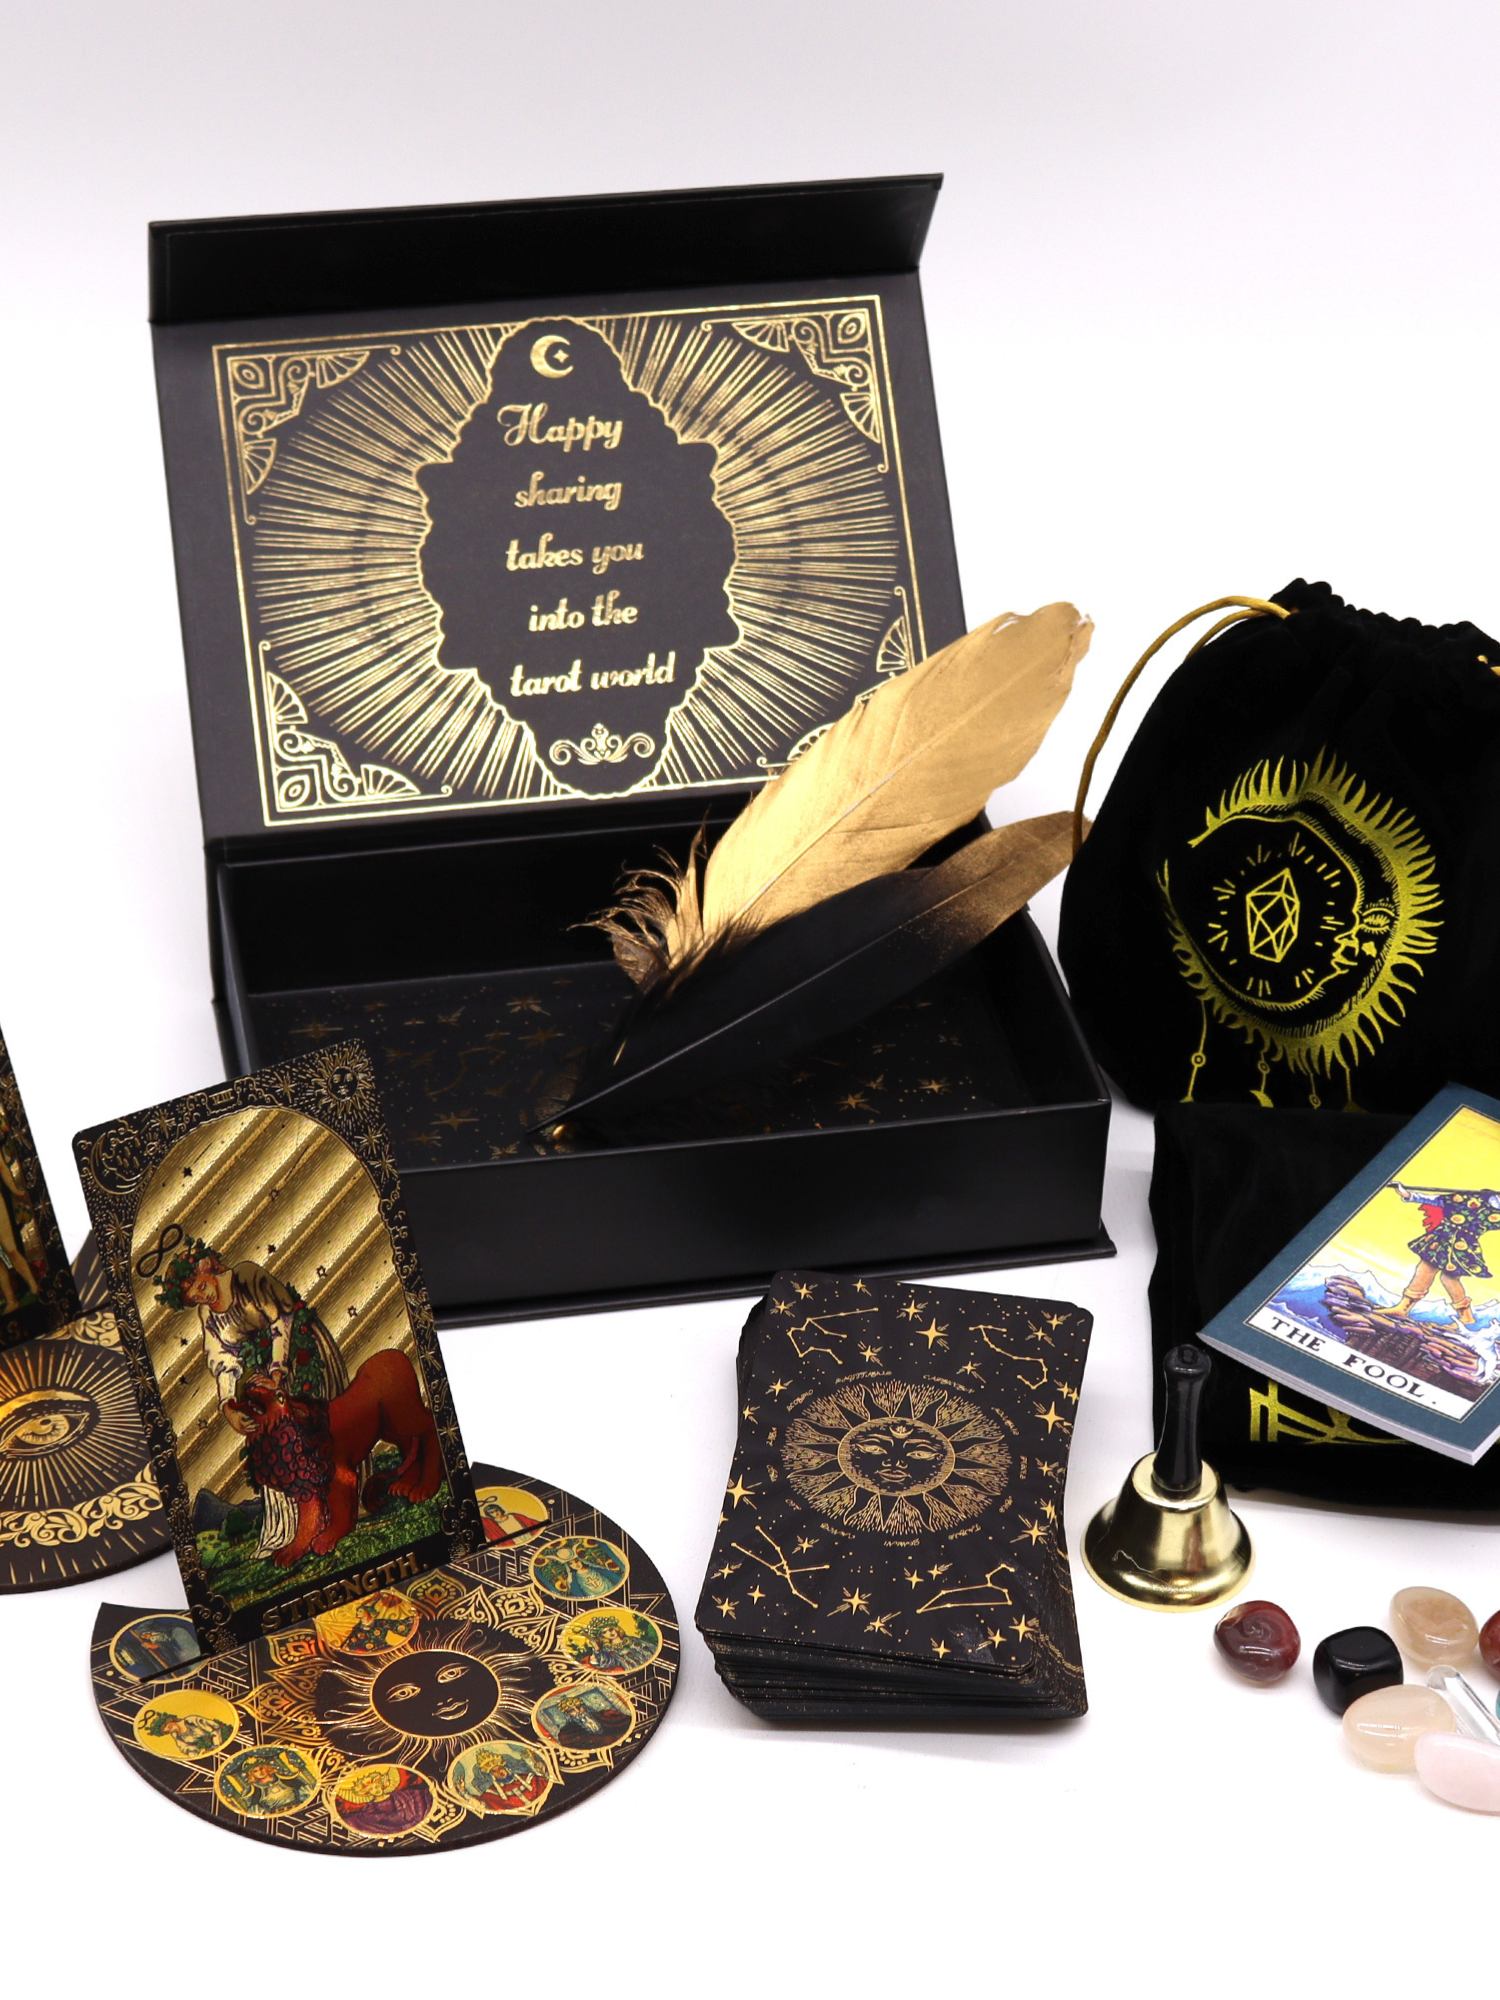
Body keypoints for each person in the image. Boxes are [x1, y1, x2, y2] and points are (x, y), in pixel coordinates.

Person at [139, 1228, 349, 1558]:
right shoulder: (209, 1315)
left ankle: (339, 1509)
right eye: (194, 1297)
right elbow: (223, 1360)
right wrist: (227, 1405)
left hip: (298, 1356)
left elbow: (281, 1321)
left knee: (320, 1436)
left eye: (200, 1286)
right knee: (275, 1447)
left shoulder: (247, 1276)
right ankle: (290, 1528)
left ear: (207, 1267)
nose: (202, 1296)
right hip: (263, 1378)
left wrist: (278, 1372)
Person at [1388, 1182, 1500, 1326]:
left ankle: (1466, 1317)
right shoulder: (1475, 1196)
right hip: (1441, 1237)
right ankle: (1403, 1308)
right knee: (1425, 1270)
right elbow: (1437, 1200)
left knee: (1449, 1278)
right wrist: (1408, 1194)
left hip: (1463, 1245)